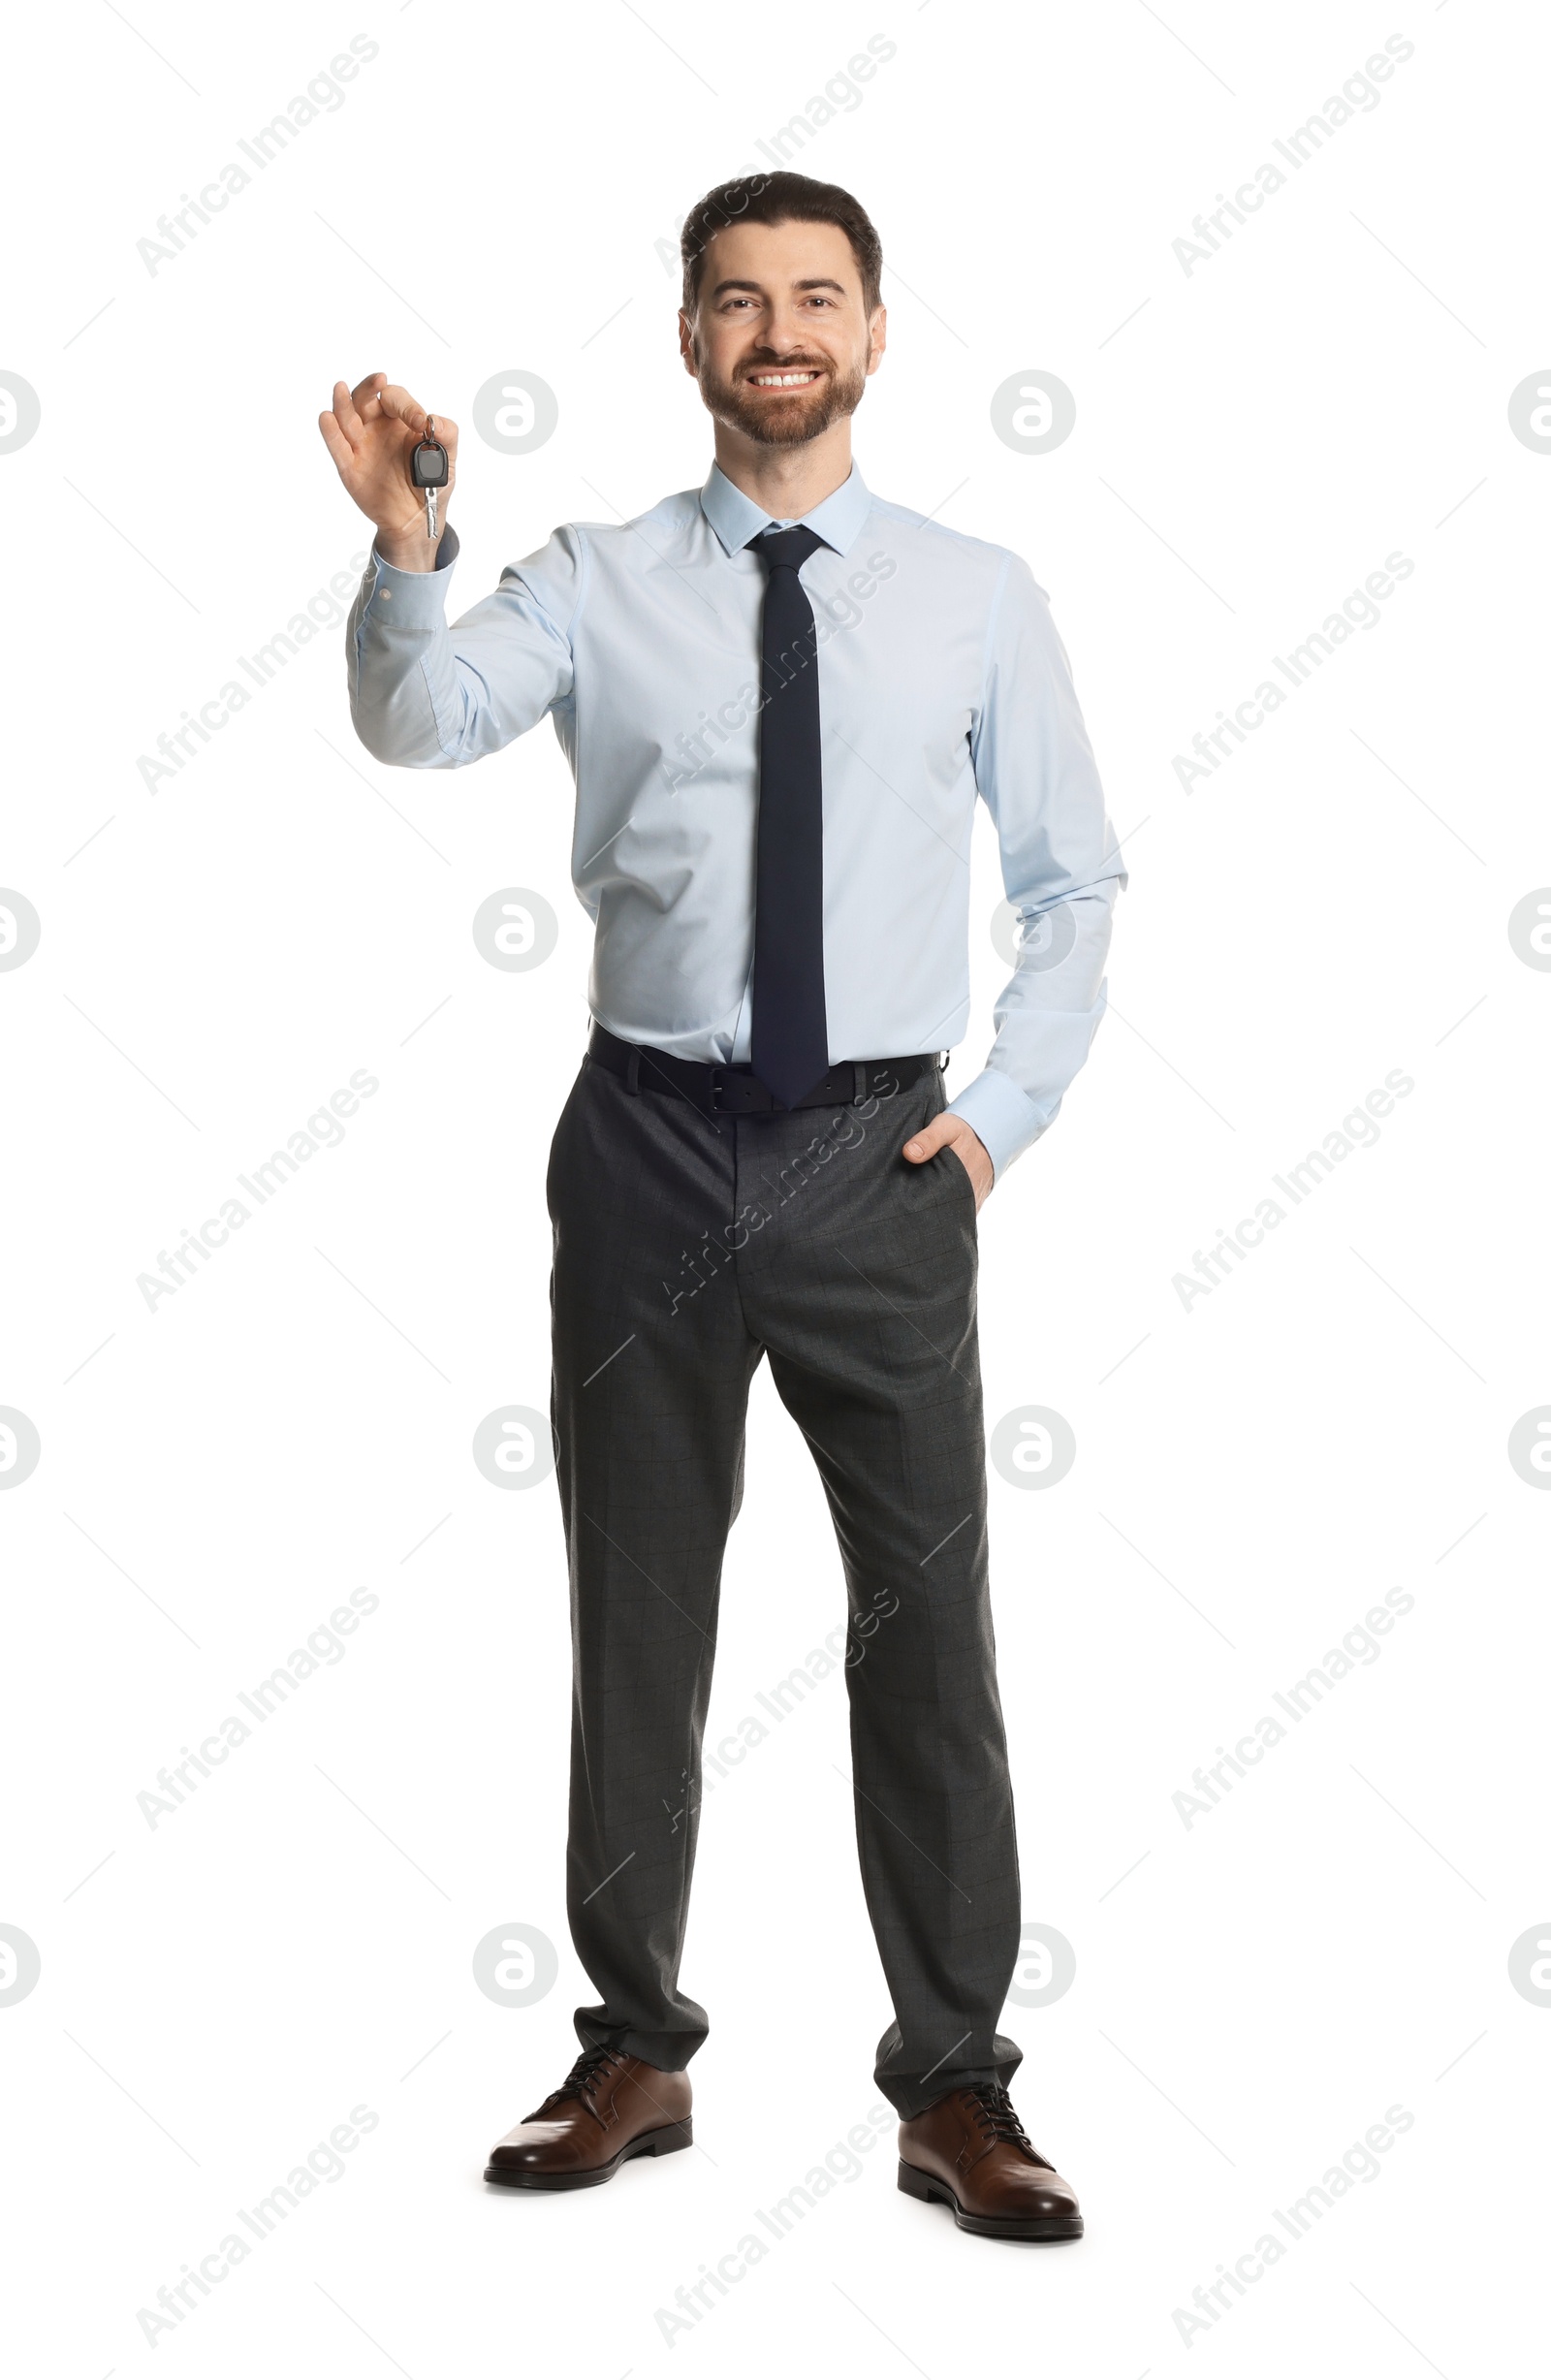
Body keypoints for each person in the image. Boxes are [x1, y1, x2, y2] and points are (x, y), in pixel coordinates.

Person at [320, 170, 1124, 2241]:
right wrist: (414, 547)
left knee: (922, 1630)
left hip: (881, 1158)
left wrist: (1001, 1112)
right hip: (647, 1144)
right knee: (638, 1608)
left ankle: (954, 2083)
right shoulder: (594, 577)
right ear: (686, 338)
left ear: (872, 332)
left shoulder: (971, 590)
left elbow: (1070, 878)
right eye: (738, 299)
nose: (779, 330)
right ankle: (634, 2040)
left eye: (816, 297)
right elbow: (419, 718)